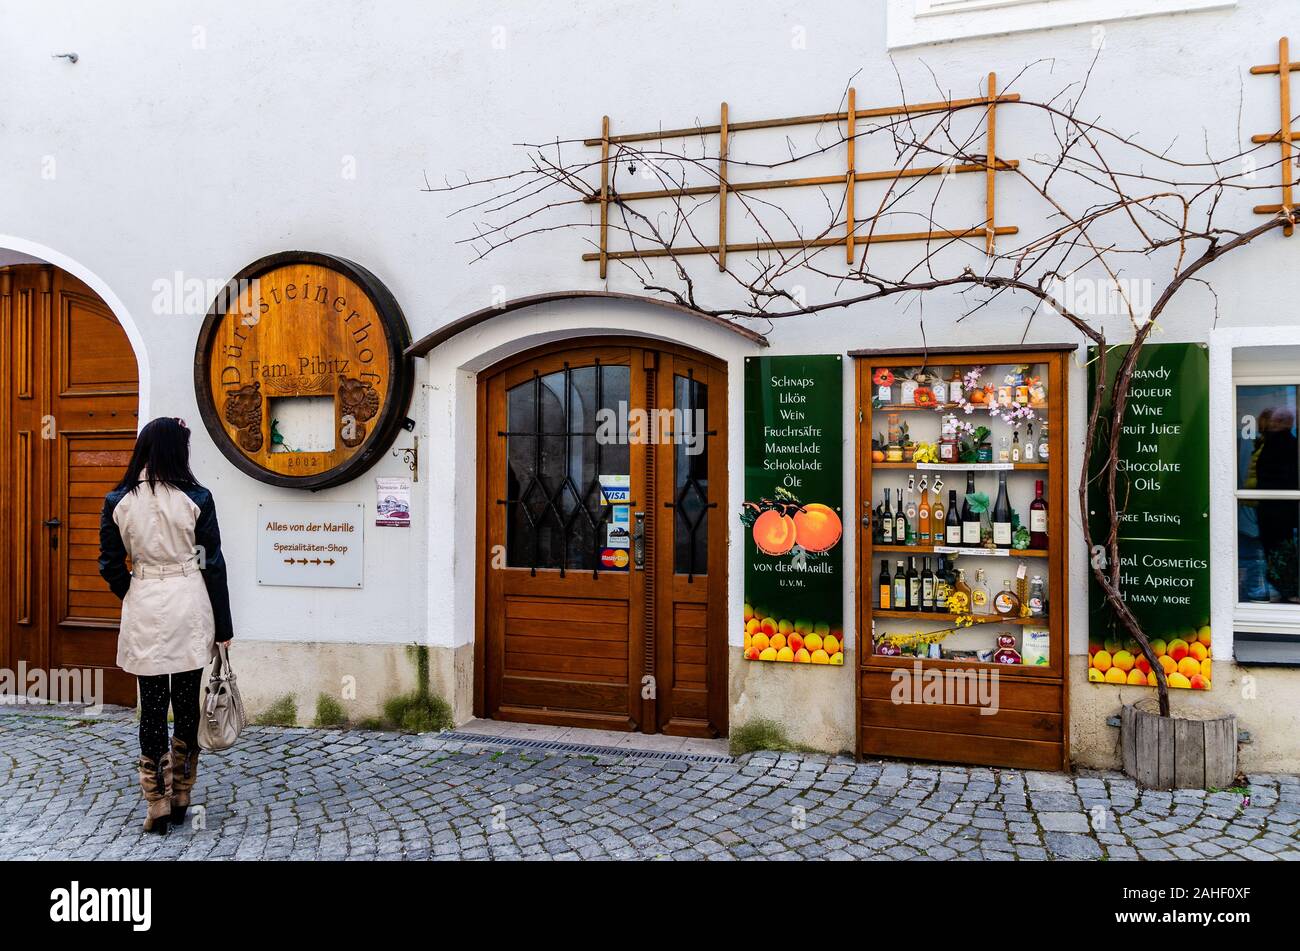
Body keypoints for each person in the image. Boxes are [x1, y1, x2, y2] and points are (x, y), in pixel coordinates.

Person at [98, 417, 233, 834]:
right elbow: (212, 562)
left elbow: (108, 563)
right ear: (178, 451)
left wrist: (133, 594)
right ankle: (183, 792)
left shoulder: (118, 498)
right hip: (189, 598)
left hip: (145, 598)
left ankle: (155, 800)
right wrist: (224, 624)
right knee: (187, 702)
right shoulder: (197, 496)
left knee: (152, 705)